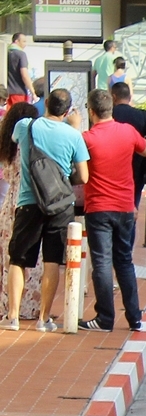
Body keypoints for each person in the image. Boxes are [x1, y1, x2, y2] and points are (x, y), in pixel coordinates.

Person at [4, 88, 88, 332]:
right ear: (68, 110)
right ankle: (43, 319)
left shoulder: (26, 126)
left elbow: (13, 141)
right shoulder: (74, 136)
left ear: (47, 104)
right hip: (60, 205)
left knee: (18, 259)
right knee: (52, 260)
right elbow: (83, 175)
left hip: (29, 202)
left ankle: (13, 317)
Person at [79, 89, 146, 332]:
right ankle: (135, 317)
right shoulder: (128, 132)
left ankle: (105, 318)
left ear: (91, 112)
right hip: (124, 206)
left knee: (101, 262)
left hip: (98, 207)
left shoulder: (87, 138)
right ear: (111, 108)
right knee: (124, 261)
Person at [0, 102, 42, 321]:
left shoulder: (6, 146)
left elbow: (6, 175)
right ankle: (29, 306)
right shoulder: (32, 145)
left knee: (9, 256)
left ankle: (7, 305)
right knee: (31, 256)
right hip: (29, 201)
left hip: (9, 205)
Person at [111, 82, 146, 209]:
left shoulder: (108, 115)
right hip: (137, 169)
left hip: (113, 168)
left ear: (113, 97)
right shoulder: (142, 115)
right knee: (132, 208)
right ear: (129, 97)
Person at [6, 33, 35, 109]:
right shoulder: (21, 54)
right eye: (24, 41)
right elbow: (24, 75)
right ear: (16, 41)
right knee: (19, 116)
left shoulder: (4, 53)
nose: (25, 44)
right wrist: (33, 92)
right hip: (19, 92)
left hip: (5, 93)